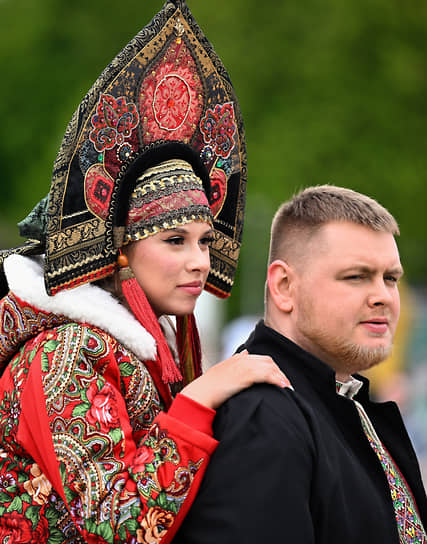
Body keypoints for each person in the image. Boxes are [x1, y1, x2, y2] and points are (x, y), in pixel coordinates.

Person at [0, 2, 290, 543]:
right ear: (123, 253)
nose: (200, 260)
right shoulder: (66, 352)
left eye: (205, 242)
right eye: (175, 241)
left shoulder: (135, 349)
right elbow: (121, 526)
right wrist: (199, 399)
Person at [175, 185, 427, 543]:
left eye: (390, 279)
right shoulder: (262, 415)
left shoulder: (337, 398)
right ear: (283, 286)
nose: (383, 297)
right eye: (356, 276)